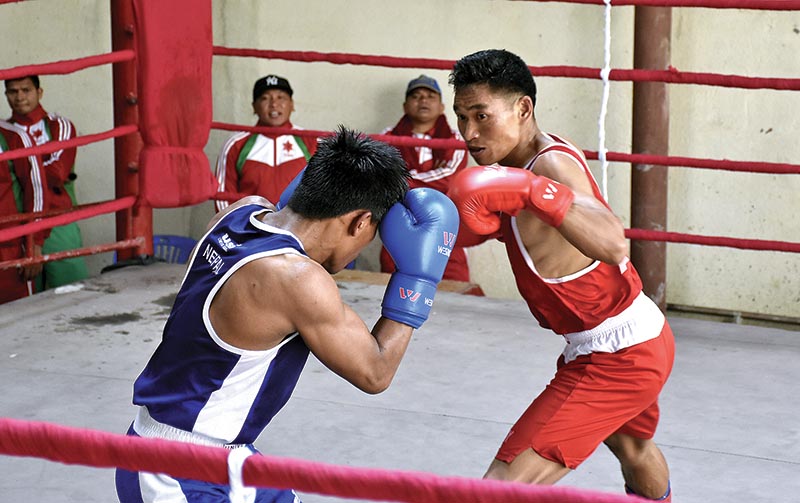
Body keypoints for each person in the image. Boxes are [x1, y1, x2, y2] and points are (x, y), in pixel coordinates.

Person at [115, 126, 460, 503]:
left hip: (215, 456)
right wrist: (417, 277)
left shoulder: (242, 211)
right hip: (178, 475)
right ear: (360, 222)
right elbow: (375, 372)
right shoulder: (297, 279)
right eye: (371, 233)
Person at [447, 49, 675, 501]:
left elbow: (613, 243)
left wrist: (534, 192)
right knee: (634, 446)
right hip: (632, 339)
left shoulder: (548, 168)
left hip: (618, 357)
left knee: (499, 489)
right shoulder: (514, 167)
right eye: (461, 117)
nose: (469, 132)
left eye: (481, 116)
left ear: (523, 108)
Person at [379, 74, 471, 282]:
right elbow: (383, 176)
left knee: (455, 285)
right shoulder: (387, 135)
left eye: (430, 96)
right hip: (398, 223)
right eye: (417, 96)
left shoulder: (455, 138)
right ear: (405, 106)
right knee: (391, 285)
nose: (423, 101)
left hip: (444, 224)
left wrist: (401, 182)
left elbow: (449, 179)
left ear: (441, 106)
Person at [5, 75, 89, 289]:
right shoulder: (6, 133)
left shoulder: (59, 126)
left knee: (71, 289)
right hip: (22, 224)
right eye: (13, 91)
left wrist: (25, 171)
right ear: (6, 95)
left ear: (39, 92)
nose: (20, 97)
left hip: (58, 220)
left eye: (26, 90)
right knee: (30, 297)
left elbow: (57, 174)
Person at [214, 74, 318, 213]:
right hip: (250, 230)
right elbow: (223, 198)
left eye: (281, 97)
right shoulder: (236, 144)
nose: (274, 104)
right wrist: (240, 231)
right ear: (254, 107)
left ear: (292, 104)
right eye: (265, 98)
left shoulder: (311, 140)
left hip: (298, 230)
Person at [0, 120, 48, 303]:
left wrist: (34, 244)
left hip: (9, 248)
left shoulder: (13, 137)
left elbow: (36, 191)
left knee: (18, 321)